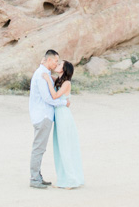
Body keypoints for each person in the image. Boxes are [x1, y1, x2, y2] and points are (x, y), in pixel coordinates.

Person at [29, 49, 70, 189]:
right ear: (49, 60)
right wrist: (64, 103)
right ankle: (34, 179)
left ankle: (37, 177)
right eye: (56, 61)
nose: (56, 64)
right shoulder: (42, 74)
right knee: (38, 148)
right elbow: (48, 98)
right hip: (43, 116)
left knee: (40, 148)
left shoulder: (45, 73)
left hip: (43, 115)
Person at [42, 60, 84, 189]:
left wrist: (49, 81)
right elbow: (48, 77)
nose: (57, 65)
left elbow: (55, 96)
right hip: (59, 116)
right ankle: (63, 180)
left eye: (60, 64)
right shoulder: (58, 80)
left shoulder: (66, 83)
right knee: (59, 147)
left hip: (64, 116)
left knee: (65, 146)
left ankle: (71, 180)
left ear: (64, 69)